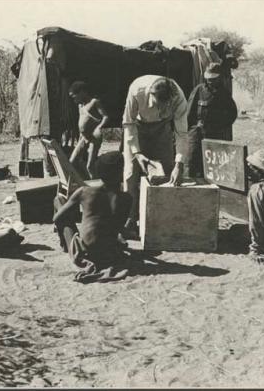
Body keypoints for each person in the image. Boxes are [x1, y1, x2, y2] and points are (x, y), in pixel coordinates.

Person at [121, 75, 188, 237]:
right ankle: (129, 221)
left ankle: (164, 220)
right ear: (151, 95)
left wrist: (179, 164)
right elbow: (128, 122)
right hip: (137, 127)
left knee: (168, 171)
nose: (159, 109)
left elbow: (182, 133)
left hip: (162, 128)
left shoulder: (179, 99)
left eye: (165, 106)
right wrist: (137, 152)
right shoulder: (137, 89)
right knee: (130, 173)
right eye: (157, 104)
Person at [53, 151, 133, 283]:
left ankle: (65, 245)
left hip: (85, 252)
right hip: (109, 253)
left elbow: (57, 218)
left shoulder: (85, 192)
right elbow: (118, 227)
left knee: (58, 201)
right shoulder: (126, 199)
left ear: (99, 173)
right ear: (121, 172)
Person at [186, 62, 238, 177]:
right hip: (197, 133)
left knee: (213, 168)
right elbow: (189, 112)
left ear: (219, 78)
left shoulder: (224, 94)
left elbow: (232, 114)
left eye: (213, 79)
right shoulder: (199, 90)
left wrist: (219, 126)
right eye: (208, 78)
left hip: (215, 135)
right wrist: (190, 132)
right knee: (192, 163)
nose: (210, 81)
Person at [68, 81, 109, 179]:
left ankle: (95, 187)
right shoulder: (80, 106)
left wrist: (99, 127)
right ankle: (83, 181)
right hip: (84, 137)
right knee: (71, 162)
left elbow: (105, 116)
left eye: (75, 96)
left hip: (94, 137)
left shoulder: (94, 102)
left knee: (90, 166)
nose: (74, 100)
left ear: (82, 92)